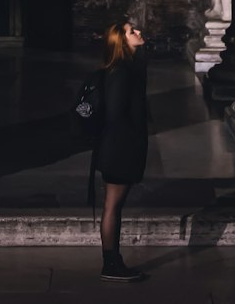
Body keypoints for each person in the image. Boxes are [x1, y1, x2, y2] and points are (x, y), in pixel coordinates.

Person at [95, 19, 149, 283]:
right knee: (112, 206)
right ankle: (111, 263)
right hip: (119, 149)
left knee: (114, 205)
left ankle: (112, 261)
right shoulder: (120, 72)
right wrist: (131, 144)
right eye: (131, 32)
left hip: (120, 147)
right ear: (122, 41)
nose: (138, 32)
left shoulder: (129, 68)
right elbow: (115, 115)